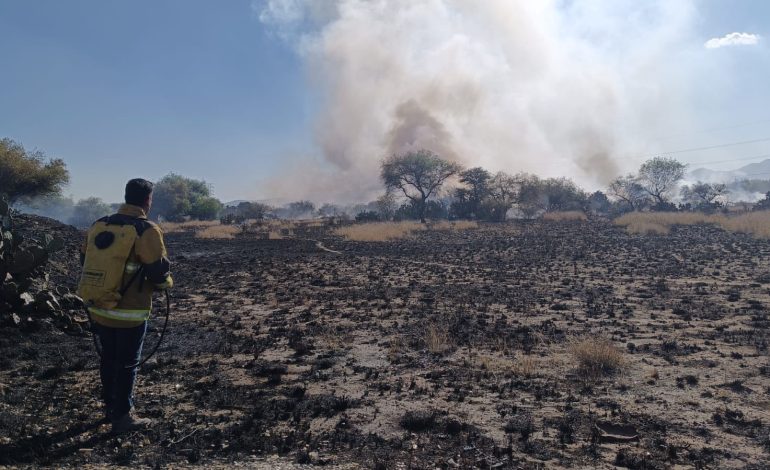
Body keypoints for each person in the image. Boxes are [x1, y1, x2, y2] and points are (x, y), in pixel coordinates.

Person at [78, 178, 173, 433]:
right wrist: (166, 282)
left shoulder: (98, 225)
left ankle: (110, 407)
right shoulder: (147, 230)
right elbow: (156, 272)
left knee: (108, 359)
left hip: (99, 307)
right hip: (129, 313)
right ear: (147, 200)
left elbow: (85, 260)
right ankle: (123, 416)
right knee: (128, 363)